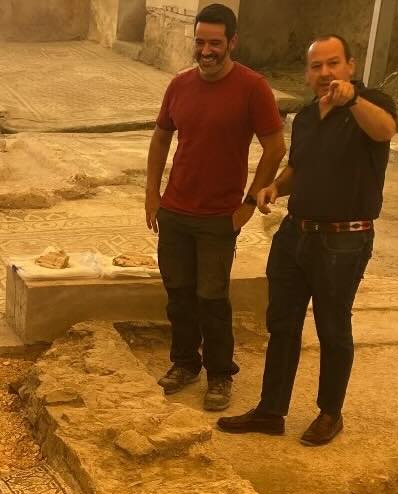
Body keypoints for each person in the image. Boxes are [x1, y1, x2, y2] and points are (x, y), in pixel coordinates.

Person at [218, 35, 397, 446]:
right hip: (295, 234)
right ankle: (271, 410)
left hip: (343, 241)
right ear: (307, 73)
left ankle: (330, 413)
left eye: (333, 63)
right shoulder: (306, 117)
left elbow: (385, 131)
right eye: (316, 66)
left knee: (333, 327)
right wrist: (274, 189)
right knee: (281, 324)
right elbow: (298, 168)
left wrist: (353, 99)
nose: (325, 73)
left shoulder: (372, 103)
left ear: (351, 66)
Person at [144, 3, 285, 412]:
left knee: (211, 296)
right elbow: (160, 137)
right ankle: (185, 363)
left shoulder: (253, 88)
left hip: (219, 216)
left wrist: (249, 202)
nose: (206, 51)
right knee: (178, 293)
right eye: (200, 42)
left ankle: (220, 373)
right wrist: (152, 193)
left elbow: (275, 147)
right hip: (175, 210)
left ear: (232, 42)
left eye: (215, 43)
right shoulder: (179, 85)